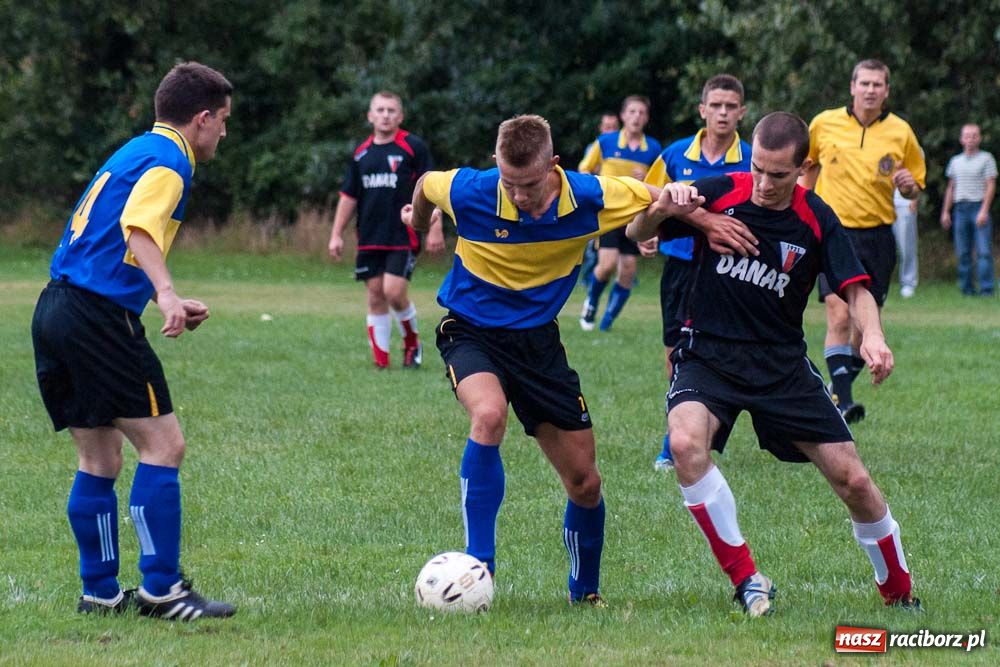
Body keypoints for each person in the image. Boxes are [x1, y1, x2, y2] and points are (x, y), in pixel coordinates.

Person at [401, 114, 754, 604]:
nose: (519, 196)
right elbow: (423, 185)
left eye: (528, 184)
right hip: (470, 330)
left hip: (539, 345)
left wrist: (706, 218)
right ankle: (480, 564)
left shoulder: (590, 196)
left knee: (586, 483)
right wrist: (420, 225)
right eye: (509, 183)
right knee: (488, 414)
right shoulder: (470, 190)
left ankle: (584, 593)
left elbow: (657, 196)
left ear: (554, 166)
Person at [628, 111, 919, 617]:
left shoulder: (816, 217)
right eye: (757, 169)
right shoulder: (721, 189)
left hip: (780, 364)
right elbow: (637, 228)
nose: (762, 184)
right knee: (684, 444)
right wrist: (671, 209)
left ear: (803, 167)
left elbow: (855, 286)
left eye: (777, 175)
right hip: (708, 354)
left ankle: (898, 591)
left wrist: (872, 334)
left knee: (852, 479)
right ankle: (748, 580)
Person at [31, 62, 236, 620]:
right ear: (200, 119)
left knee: (99, 457)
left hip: (56, 309)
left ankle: (99, 593)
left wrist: (159, 294)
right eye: (222, 121)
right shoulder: (172, 161)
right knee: (163, 446)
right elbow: (139, 228)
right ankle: (162, 590)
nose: (223, 132)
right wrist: (166, 293)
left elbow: (105, 242)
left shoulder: (135, 151)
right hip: (98, 319)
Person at [801, 59, 925, 424]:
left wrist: (907, 186)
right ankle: (842, 403)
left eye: (878, 84)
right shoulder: (824, 124)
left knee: (864, 329)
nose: (870, 90)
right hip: (834, 232)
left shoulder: (901, 132)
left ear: (887, 91)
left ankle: (833, 390)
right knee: (838, 313)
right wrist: (801, 213)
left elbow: (915, 182)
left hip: (877, 236)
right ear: (852, 86)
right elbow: (805, 168)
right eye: (865, 83)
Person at [644, 74, 752, 472]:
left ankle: (707, 430)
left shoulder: (752, 158)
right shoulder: (675, 155)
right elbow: (649, 198)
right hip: (680, 266)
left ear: (741, 112)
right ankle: (675, 436)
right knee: (677, 354)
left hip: (729, 268)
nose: (723, 113)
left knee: (725, 349)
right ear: (702, 109)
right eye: (716, 106)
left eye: (731, 106)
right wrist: (648, 232)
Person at [328, 91, 444, 369]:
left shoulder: (413, 147)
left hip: (404, 235)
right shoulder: (361, 153)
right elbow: (348, 196)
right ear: (370, 116)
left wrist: (436, 227)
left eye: (391, 110)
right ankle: (381, 361)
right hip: (369, 236)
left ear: (400, 116)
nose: (385, 115)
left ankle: (412, 345)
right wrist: (336, 233)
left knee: (393, 292)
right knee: (375, 295)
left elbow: (432, 188)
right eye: (379, 110)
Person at [578, 96, 663, 331]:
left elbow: (658, 183)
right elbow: (584, 169)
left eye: (641, 113)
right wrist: (599, 182)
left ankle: (606, 323)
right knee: (606, 264)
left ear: (646, 118)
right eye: (632, 112)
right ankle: (591, 305)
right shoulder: (605, 142)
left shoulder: (653, 148)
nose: (637, 116)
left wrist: (644, 180)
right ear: (623, 116)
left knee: (627, 270)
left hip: (635, 216)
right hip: (607, 213)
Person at [941, 123, 997, 296]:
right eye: (967, 136)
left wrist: (984, 210)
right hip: (960, 209)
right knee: (963, 252)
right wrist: (945, 211)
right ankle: (967, 289)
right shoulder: (955, 161)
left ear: (979, 138)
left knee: (983, 251)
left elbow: (990, 185)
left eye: (974, 135)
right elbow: (951, 187)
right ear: (961, 139)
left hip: (978, 207)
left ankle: (986, 289)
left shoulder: (987, 159)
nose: (970, 139)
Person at [579, 112, 622, 286]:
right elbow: (585, 170)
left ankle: (625, 279)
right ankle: (587, 279)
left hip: (617, 203)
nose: (610, 131)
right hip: (597, 202)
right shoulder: (594, 147)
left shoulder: (624, 146)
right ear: (601, 128)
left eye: (613, 127)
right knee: (592, 244)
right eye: (607, 127)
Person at [892, 189, 919, 298]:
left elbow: (917, 180)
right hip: (883, 205)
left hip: (905, 205)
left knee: (906, 247)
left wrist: (914, 200)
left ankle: (908, 283)